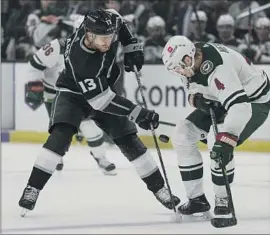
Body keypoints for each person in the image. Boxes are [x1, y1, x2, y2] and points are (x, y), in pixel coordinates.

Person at [18, 9, 180, 216]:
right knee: (60, 137)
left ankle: (160, 189)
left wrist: (132, 47)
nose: (108, 42)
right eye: (103, 38)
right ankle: (33, 187)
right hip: (74, 95)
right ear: (88, 34)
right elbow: (101, 101)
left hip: (104, 88)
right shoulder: (81, 60)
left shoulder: (109, 21)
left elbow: (120, 22)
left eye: (109, 37)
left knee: (129, 140)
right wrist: (137, 112)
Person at [161, 36, 270, 225]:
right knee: (182, 133)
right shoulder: (190, 60)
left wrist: (227, 139)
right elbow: (193, 92)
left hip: (253, 102)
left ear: (188, 58)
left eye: (178, 67)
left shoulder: (218, 69)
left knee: (216, 141)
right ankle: (197, 200)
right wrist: (197, 100)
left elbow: (240, 107)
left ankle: (223, 199)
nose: (177, 72)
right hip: (226, 99)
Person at [26, 36, 117, 174]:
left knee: (89, 127)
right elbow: (34, 65)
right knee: (60, 130)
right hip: (54, 94)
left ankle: (101, 157)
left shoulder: (95, 51)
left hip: (77, 94)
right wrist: (35, 86)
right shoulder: (56, 47)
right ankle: (56, 157)